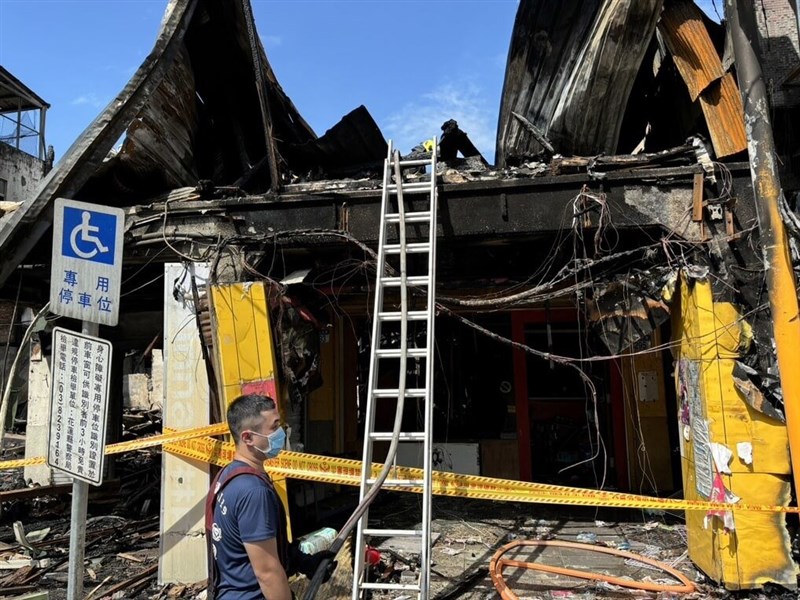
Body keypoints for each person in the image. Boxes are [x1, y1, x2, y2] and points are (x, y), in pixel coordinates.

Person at [205, 394, 334, 599]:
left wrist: (304, 562)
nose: (281, 433)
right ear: (247, 437)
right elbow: (267, 573)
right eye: (274, 428)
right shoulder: (253, 491)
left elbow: (253, 548)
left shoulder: (228, 475)